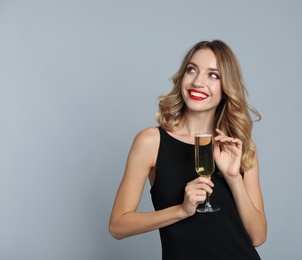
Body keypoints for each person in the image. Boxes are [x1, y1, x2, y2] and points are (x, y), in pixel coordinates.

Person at [109, 40, 267, 259]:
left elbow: (258, 236)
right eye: (192, 70)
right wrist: (181, 211)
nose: (198, 82)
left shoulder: (240, 146)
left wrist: (233, 178)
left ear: (226, 87)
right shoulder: (151, 141)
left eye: (214, 75)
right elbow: (118, 226)